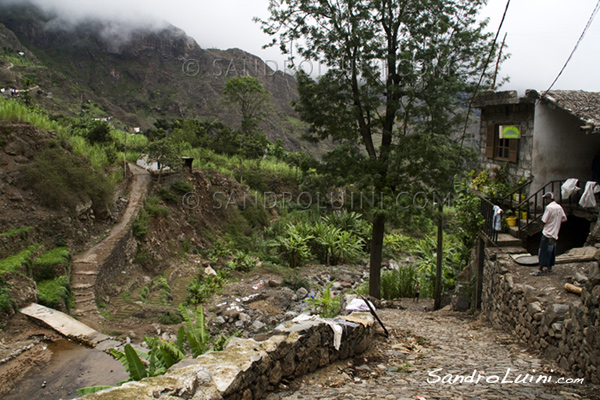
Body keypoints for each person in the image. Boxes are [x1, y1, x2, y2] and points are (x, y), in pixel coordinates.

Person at [531, 192, 567, 276]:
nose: (545, 200)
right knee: (551, 251)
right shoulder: (559, 207)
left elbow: (544, 220)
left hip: (547, 232)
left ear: (550, 199)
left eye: (546, 199)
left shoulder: (549, 208)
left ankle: (540, 269)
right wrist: (556, 221)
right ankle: (549, 268)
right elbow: (564, 218)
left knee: (543, 251)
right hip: (555, 233)